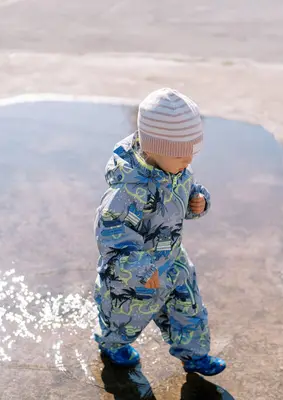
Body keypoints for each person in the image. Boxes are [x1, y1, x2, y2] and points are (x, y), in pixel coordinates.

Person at [93, 88, 226, 376]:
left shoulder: (178, 170)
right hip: (136, 275)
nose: (188, 160)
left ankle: (195, 355)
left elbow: (183, 202)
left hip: (174, 262)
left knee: (189, 311)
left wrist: (198, 203)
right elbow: (111, 239)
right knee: (123, 316)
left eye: (192, 151)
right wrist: (139, 267)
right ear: (152, 148)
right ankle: (112, 344)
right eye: (181, 153)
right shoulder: (127, 191)